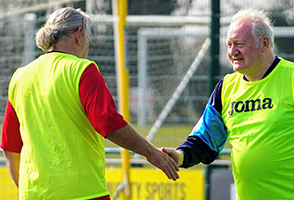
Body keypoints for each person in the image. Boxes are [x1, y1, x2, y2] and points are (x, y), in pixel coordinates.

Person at [162, 8, 294, 200]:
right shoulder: (225, 88)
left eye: (239, 44)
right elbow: (205, 140)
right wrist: (180, 156)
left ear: (265, 43)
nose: (232, 52)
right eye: (229, 45)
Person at [0, 7, 179, 200]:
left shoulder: (20, 77)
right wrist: (152, 153)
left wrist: (26, 191)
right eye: (88, 37)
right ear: (79, 35)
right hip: (83, 194)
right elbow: (108, 123)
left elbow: (10, 147)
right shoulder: (82, 70)